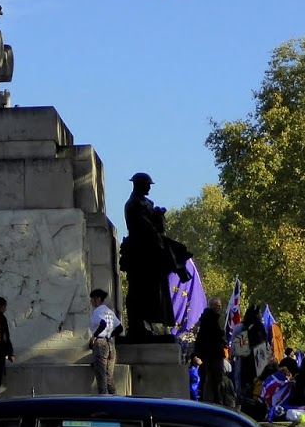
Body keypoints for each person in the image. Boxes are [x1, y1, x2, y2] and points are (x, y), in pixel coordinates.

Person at [118, 173, 189, 337]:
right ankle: (137, 325)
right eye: (147, 185)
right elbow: (146, 229)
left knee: (154, 291)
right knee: (139, 291)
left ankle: (150, 323)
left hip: (151, 255)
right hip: (140, 255)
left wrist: (159, 216)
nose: (149, 188)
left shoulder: (147, 203)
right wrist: (162, 247)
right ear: (138, 185)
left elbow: (159, 228)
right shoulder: (133, 204)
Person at [193, 299, 229, 407]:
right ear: (212, 306)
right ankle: (214, 401)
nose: (219, 308)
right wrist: (221, 335)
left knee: (210, 379)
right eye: (217, 305)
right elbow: (213, 336)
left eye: (220, 305)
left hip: (209, 355)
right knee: (215, 379)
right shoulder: (211, 319)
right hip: (213, 355)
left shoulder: (208, 318)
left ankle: (210, 401)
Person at [87, 289, 121, 395]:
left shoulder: (98, 311)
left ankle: (104, 400)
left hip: (100, 344)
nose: (91, 301)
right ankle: (115, 399)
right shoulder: (109, 311)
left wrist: (95, 336)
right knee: (109, 377)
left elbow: (102, 324)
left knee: (101, 378)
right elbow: (120, 328)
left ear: (97, 299)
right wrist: (109, 334)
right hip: (110, 344)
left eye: (92, 299)